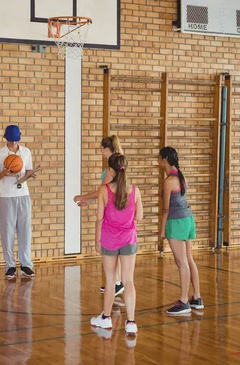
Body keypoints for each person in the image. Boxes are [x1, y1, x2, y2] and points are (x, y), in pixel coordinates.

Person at [90, 154, 143, 335]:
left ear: (110, 170)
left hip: (109, 239)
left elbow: (99, 218)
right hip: (129, 238)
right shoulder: (135, 190)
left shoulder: (104, 190)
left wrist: (97, 240)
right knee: (129, 280)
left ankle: (105, 318)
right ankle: (131, 322)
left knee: (111, 280)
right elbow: (139, 216)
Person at [74, 135, 124, 296]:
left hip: (111, 214)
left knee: (108, 247)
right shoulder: (115, 166)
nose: (100, 151)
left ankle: (116, 282)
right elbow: (105, 194)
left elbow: (103, 191)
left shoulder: (111, 169)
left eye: (102, 148)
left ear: (108, 150)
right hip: (114, 210)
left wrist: (82, 197)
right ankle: (117, 281)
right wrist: (88, 202)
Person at [157, 146, 204, 315]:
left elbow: (166, 209)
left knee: (181, 262)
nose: (158, 160)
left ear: (165, 160)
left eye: (159, 157)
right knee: (189, 259)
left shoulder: (169, 181)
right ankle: (197, 298)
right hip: (188, 219)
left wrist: (162, 230)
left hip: (176, 222)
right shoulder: (181, 177)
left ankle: (184, 301)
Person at [0, 125, 38, 280]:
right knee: (8, 232)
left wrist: (31, 175)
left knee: (25, 231)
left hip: (23, 194)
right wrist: (3, 173)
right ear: (5, 138)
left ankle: (26, 265)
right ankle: (10, 265)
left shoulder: (26, 152)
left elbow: (28, 170)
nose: (12, 144)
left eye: (15, 141)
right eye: (10, 141)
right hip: (7, 196)